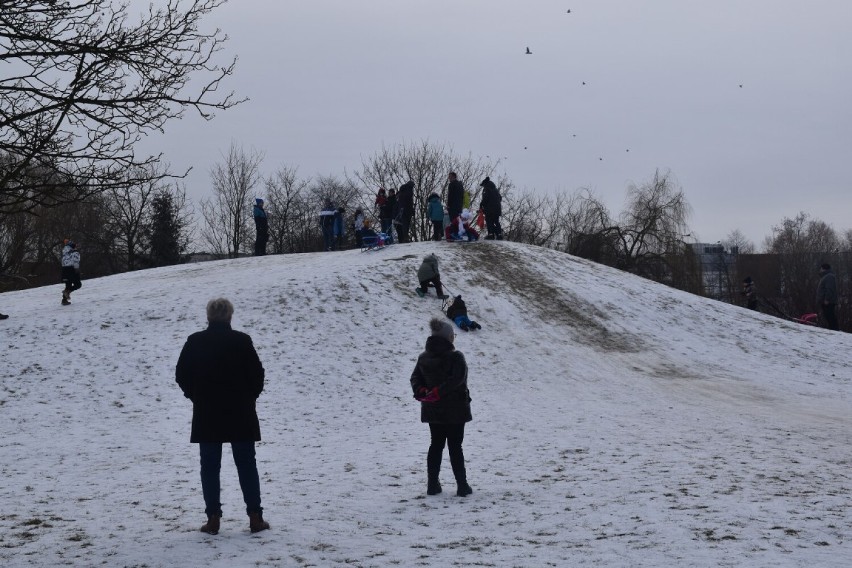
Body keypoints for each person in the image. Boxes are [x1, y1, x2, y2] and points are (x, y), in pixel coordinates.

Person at [175, 298, 270, 535]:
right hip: (241, 411)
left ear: (208, 316)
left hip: (207, 412)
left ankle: (213, 519)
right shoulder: (242, 341)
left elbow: (181, 374)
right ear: (230, 316)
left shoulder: (195, 341)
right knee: (247, 464)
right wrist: (250, 397)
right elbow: (257, 375)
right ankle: (255, 517)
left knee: (209, 466)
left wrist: (195, 396)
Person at [410, 318, 473, 497]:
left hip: (433, 409)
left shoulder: (423, 358)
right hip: (455, 410)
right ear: (447, 338)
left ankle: (432, 485)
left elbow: (415, 379)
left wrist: (424, 391)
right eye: (452, 335)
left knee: (436, 445)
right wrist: (439, 392)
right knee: (455, 446)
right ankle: (462, 486)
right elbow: (457, 379)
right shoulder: (456, 357)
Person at [816, 263, 838, 330]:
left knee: (830, 316)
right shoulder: (826, 276)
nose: (820, 270)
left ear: (823, 269)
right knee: (828, 316)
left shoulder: (829, 277)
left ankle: (834, 329)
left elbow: (829, 289)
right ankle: (832, 329)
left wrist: (827, 299)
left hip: (828, 302)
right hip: (825, 301)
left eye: (821, 269)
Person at [60, 239, 82, 305]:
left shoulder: (64, 254)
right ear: (72, 246)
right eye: (75, 246)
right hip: (72, 270)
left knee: (68, 285)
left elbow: (63, 263)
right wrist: (77, 270)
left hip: (64, 270)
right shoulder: (75, 253)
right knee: (78, 284)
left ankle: (64, 300)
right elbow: (76, 261)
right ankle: (67, 292)